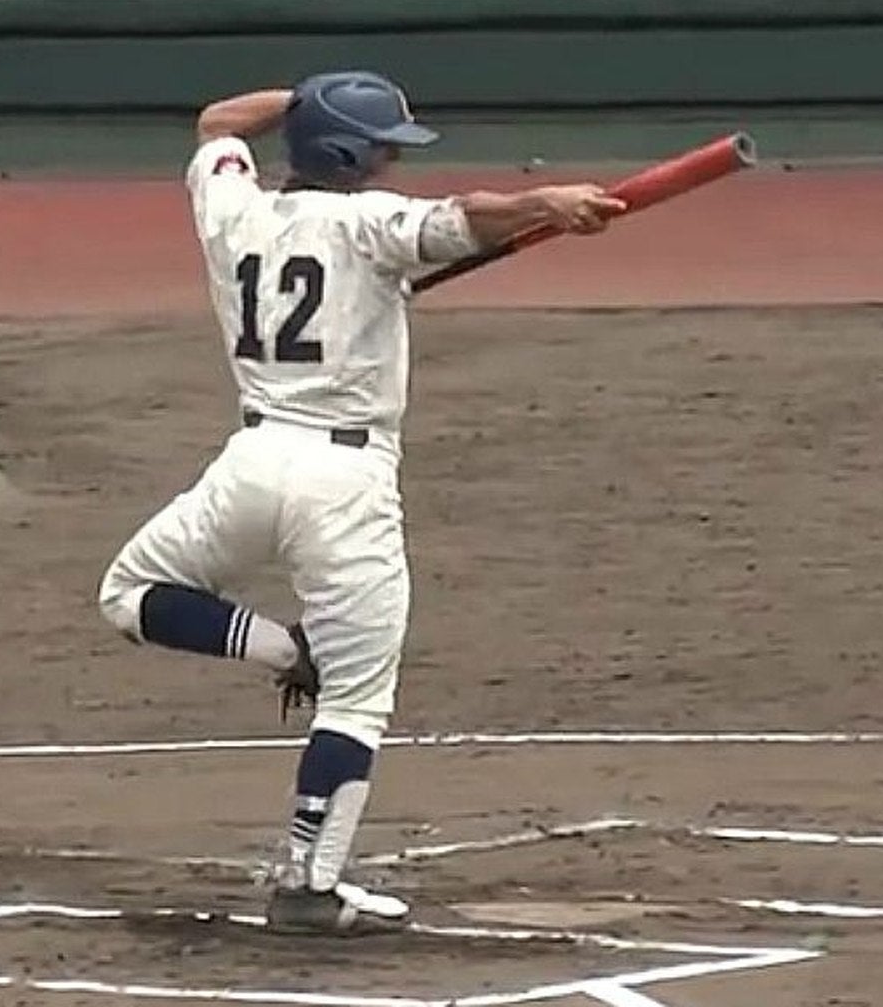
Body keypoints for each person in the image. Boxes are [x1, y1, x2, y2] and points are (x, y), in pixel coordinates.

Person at [95, 71, 622, 933]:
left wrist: (305, 92)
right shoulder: (374, 224)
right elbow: (468, 215)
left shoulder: (232, 207)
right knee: (356, 700)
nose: (389, 160)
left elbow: (219, 120)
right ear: (350, 153)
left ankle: (280, 652)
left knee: (129, 592)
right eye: (381, 146)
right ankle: (308, 884)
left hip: (253, 461)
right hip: (346, 485)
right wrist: (549, 201)